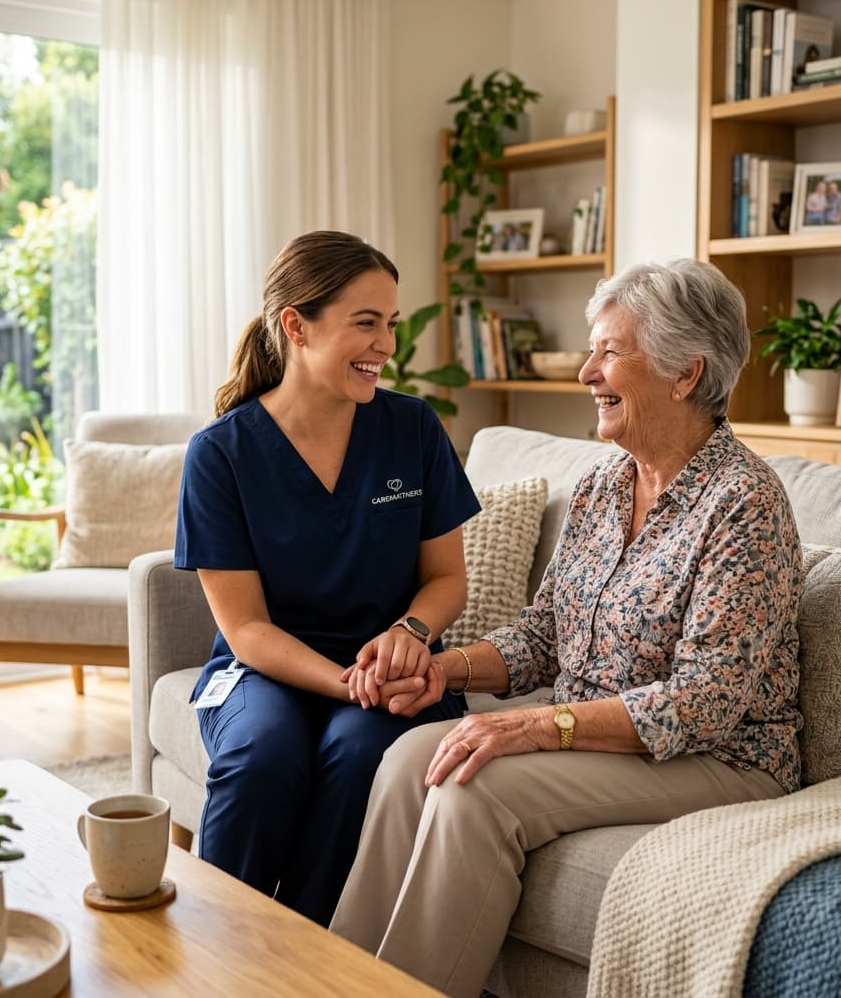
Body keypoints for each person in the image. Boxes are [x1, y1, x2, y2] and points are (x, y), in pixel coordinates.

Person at [330, 258, 804, 997]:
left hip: (719, 757)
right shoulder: (603, 485)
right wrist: (441, 668)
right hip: (596, 735)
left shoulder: (745, 504)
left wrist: (532, 727)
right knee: (405, 761)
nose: (587, 371)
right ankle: (332, 984)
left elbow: (705, 701)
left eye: (610, 351)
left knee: (472, 789)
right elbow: (543, 636)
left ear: (686, 374)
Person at [174, 230, 480, 926]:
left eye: (391, 325)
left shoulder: (413, 429)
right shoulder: (219, 455)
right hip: (266, 669)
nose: (386, 347)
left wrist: (411, 631)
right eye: (365, 324)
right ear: (297, 326)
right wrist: (345, 681)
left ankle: (309, 959)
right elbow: (246, 628)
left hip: (390, 671)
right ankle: (213, 955)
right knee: (262, 758)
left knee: (360, 752)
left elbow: (446, 579)